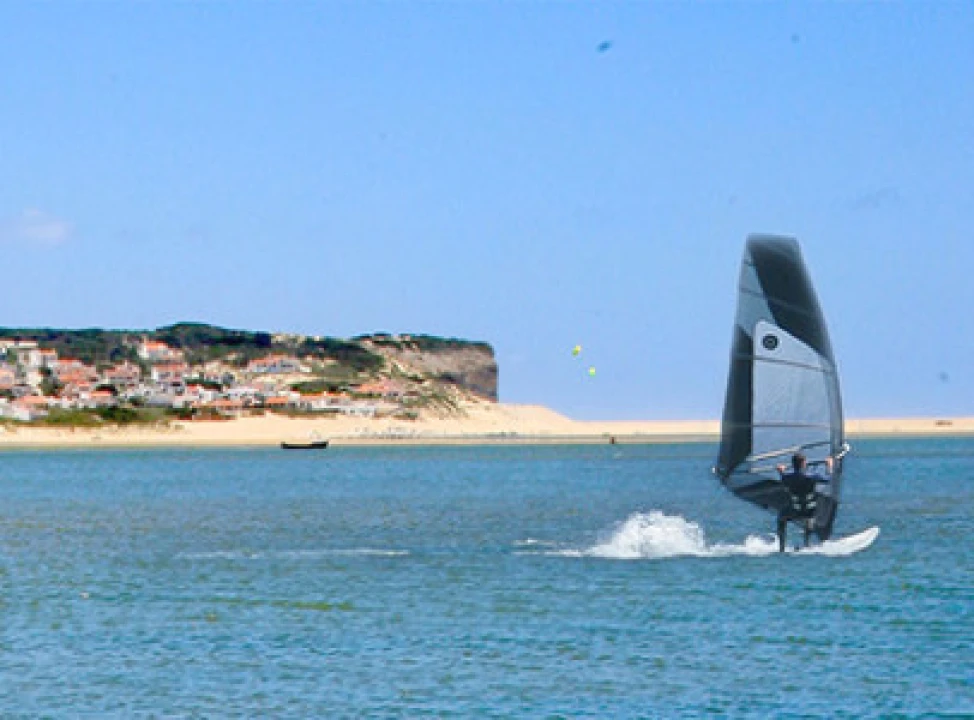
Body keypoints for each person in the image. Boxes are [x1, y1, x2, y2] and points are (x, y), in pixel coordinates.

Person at [775, 452, 834, 552]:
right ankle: (807, 544)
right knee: (809, 516)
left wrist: (781, 471)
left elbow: (783, 478)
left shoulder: (787, 478)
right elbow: (828, 479)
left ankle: (782, 547)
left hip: (795, 511)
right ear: (803, 464)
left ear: (793, 465)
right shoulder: (811, 477)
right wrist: (829, 465)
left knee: (781, 518)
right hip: (810, 511)